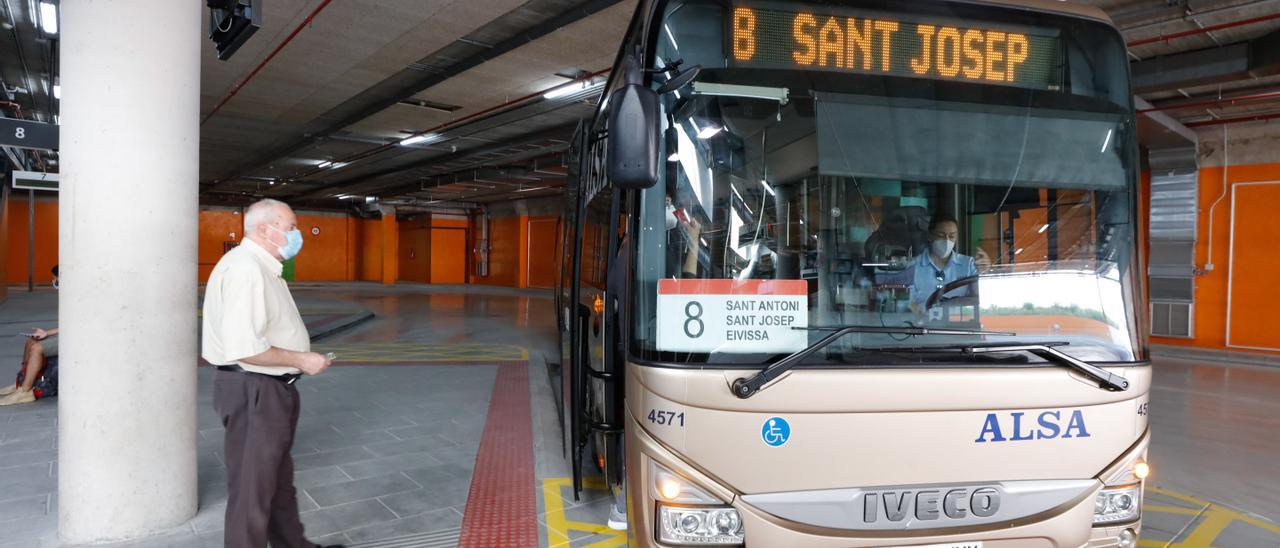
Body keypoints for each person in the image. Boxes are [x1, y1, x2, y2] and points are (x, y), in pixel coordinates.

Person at [202, 199, 340, 548]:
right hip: (255, 390)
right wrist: (303, 359)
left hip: (268, 390)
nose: (297, 234)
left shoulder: (263, 266)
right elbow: (244, 348)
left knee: (277, 480)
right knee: (253, 489)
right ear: (266, 229)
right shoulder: (247, 270)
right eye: (291, 227)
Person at [0, 265, 60, 406]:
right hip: (68, 333)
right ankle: (21, 384)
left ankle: (26, 391)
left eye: (54, 277)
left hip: (76, 338)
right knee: (31, 341)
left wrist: (47, 333)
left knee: (37, 348)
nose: (53, 281)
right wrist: (45, 333)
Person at [909, 216, 980, 320]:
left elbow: (978, 299)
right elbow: (907, 303)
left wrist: (984, 270)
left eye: (951, 236)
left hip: (958, 326)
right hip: (922, 327)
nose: (947, 240)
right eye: (941, 235)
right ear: (930, 236)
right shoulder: (913, 266)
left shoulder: (968, 264)